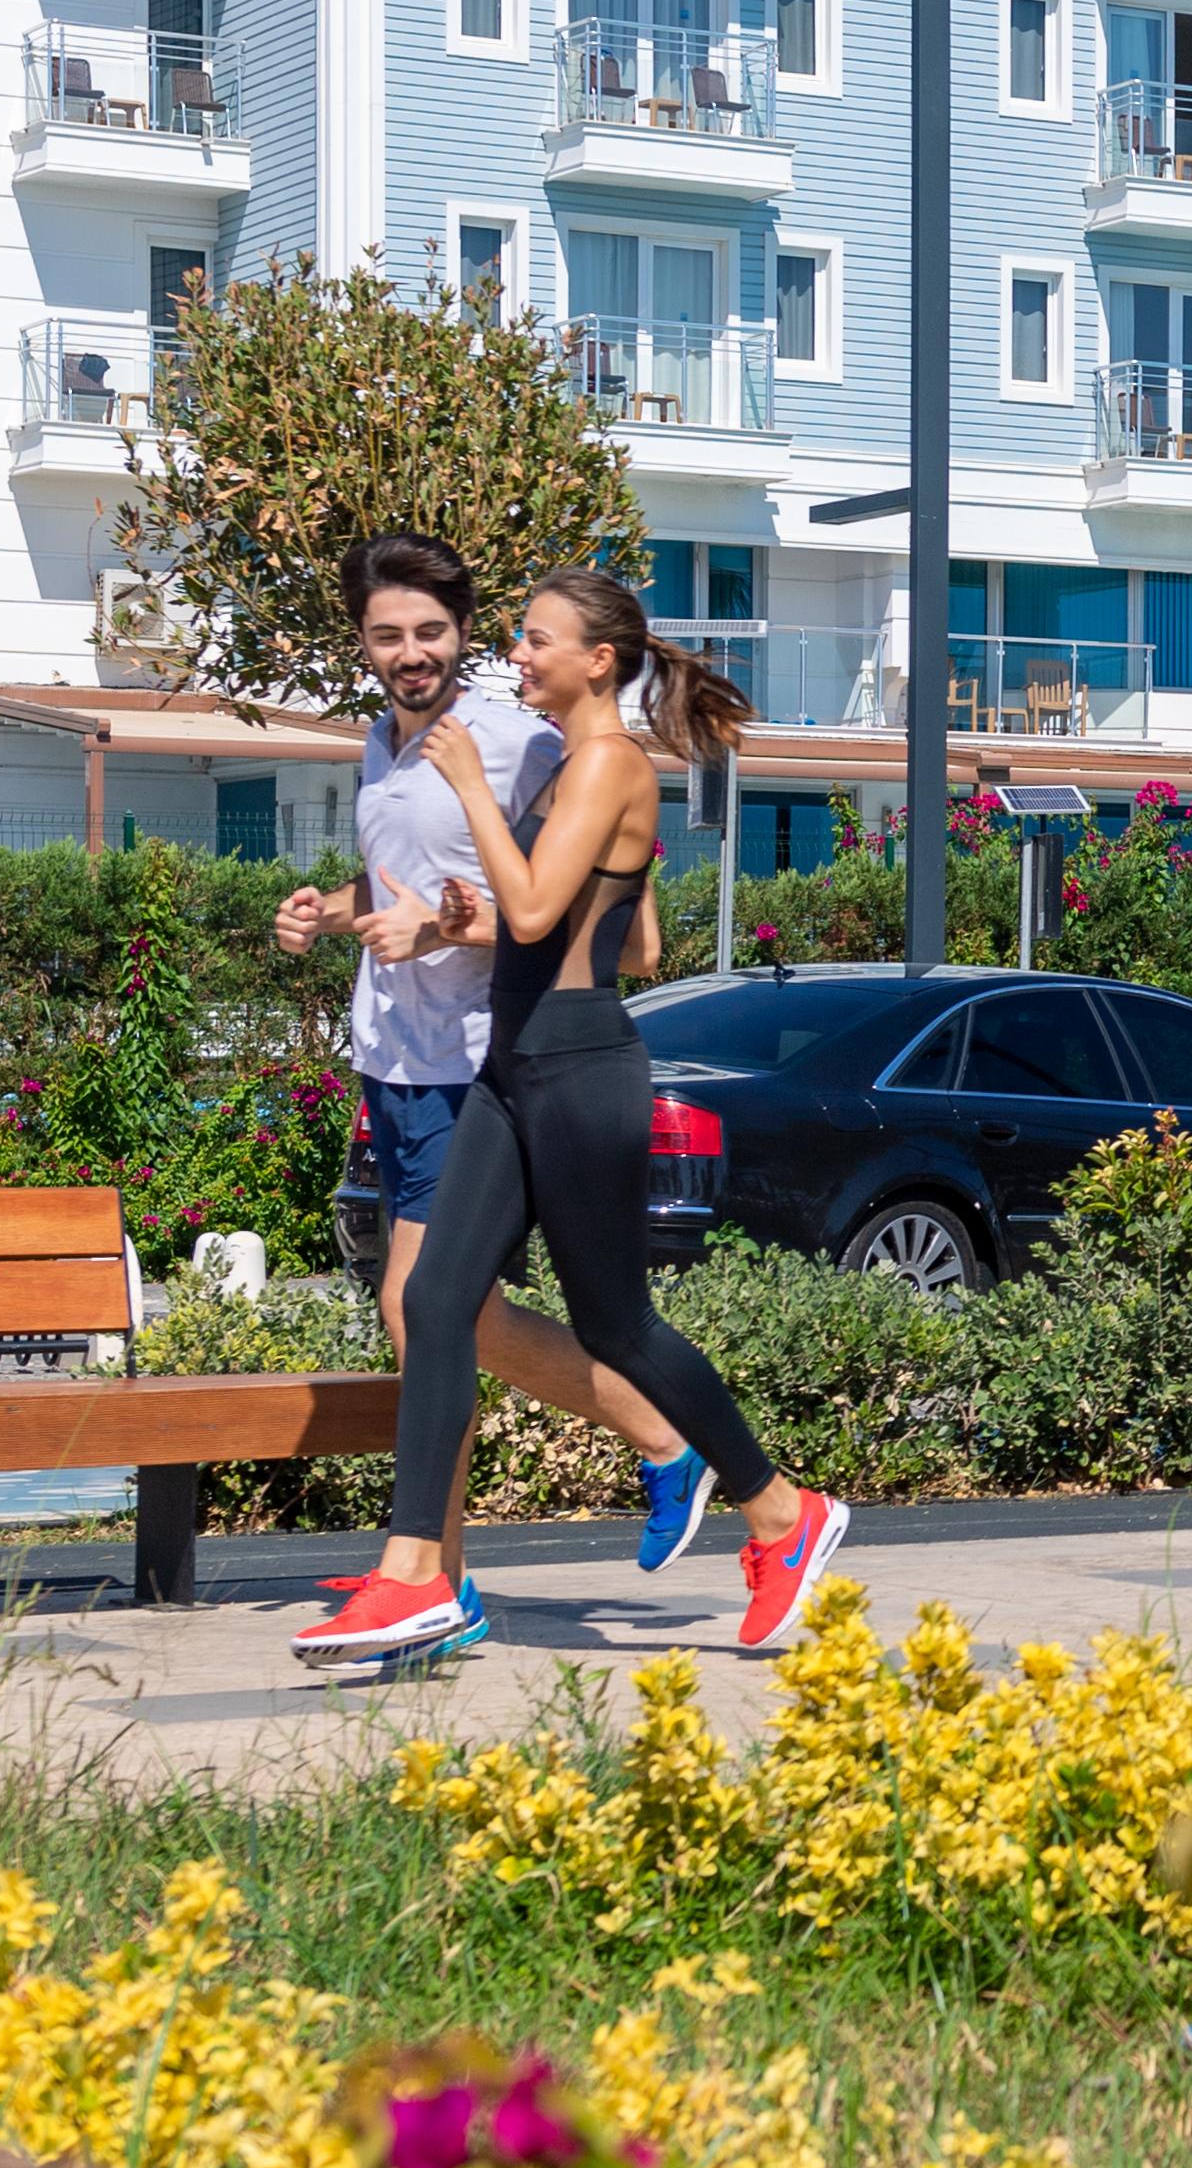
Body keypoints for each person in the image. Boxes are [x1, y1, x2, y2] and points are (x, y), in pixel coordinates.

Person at [295, 571, 842, 1667]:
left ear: (597, 659)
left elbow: (540, 909)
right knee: (436, 1298)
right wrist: (460, 916)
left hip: (582, 1069)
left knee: (616, 1325)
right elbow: (591, 929)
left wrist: (474, 800)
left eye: (536, 638)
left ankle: (785, 1511)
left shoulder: (605, 762)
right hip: (514, 1059)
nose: (518, 652)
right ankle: (416, 1577)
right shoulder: (568, 770)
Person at [271, 535, 706, 1646]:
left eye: (430, 631)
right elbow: (403, 874)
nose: (410, 652)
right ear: (362, 644)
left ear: (461, 632)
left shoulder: (518, 742)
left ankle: (436, 1574)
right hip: (395, 1058)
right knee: (444, 1315)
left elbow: (565, 905)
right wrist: (331, 905)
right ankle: (640, 1450)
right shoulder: (379, 742)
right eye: (386, 634)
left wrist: (445, 923)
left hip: (483, 1056)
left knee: (428, 1312)